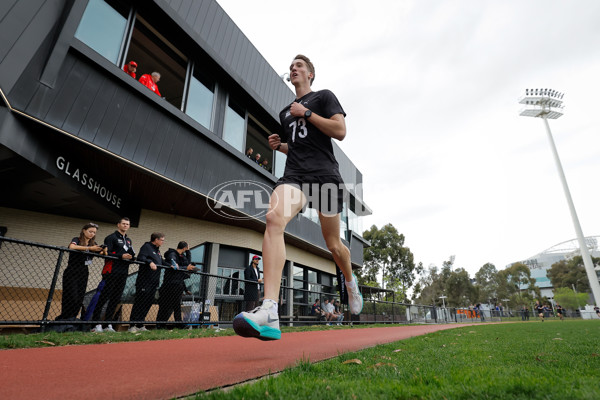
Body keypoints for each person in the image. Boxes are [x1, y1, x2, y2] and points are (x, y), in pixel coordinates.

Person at [233, 54, 363, 341]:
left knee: (333, 245)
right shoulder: (284, 113)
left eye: (299, 66)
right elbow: (300, 147)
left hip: (325, 176)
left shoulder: (323, 97)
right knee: (273, 218)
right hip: (295, 176)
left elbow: (339, 131)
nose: (293, 69)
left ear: (310, 74)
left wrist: (305, 113)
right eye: (291, 67)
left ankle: (351, 282)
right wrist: (281, 147)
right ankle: (269, 310)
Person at [91, 217, 135, 333]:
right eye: (124, 224)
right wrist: (121, 256)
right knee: (104, 297)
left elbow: (131, 253)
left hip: (123, 272)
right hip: (111, 271)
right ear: (118, 225)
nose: (125, 226)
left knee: (115, 299)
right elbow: (106, 253)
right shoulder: (111, 237)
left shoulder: (129, 240)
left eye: (127, 224)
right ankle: (96, 324)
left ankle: (107, 324)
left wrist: (131, 257)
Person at [57, 223, 105, 321]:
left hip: (84, 272)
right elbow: (72, 247)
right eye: (90, 231)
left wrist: (104, 249)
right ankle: (65, 317)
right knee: (71, 295)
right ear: (84, 230)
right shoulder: (77, 239)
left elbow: (101, 253)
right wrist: (89, 248)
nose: (92, 234)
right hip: (72, 270)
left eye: (94, 232)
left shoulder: (94, 244)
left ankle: (73, 318)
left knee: (79, 297)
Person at [128, 232, 166, 332]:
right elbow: (141, 257)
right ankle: (132, 325)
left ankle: (140, 325)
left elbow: (161, 262)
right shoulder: (147, 246)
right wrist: (150, 262)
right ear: (156, 240)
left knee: (148, 303)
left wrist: (171, 265)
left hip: (154, 281)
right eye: (162, 240)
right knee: (140, 302)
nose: (163, 242)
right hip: (144, 281)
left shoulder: (157, 251)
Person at [156, 241, 196, 327]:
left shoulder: (182, 256)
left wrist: (188, 253)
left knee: (176, 305)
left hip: (178, 284)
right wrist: (186, 267)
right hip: (169, 284)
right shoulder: (172, 254)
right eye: (187, 248)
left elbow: (187, 264)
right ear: (184, 247)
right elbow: (174, 267)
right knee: (165, 305)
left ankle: (178, 323)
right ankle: (160, 324)